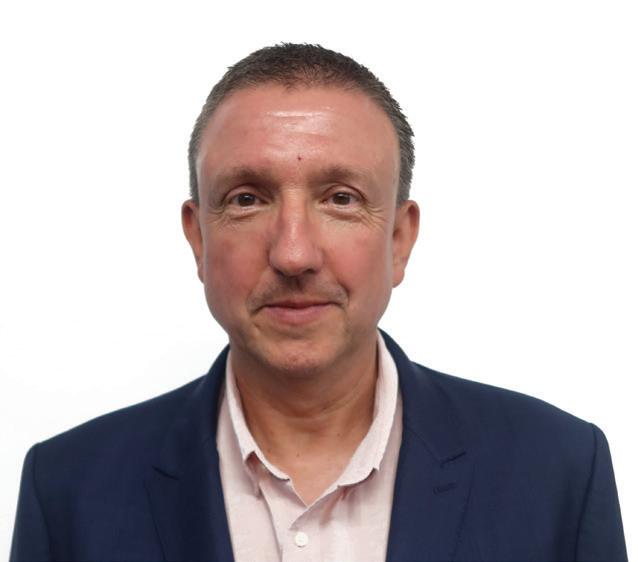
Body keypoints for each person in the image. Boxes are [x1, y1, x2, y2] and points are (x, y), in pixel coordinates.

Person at [10, 43, 627, 562]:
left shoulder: (559, 473)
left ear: (399, 240)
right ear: (198, 239)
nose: (294, 253)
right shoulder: (67, 490)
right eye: (248, 199)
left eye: (340, 198)